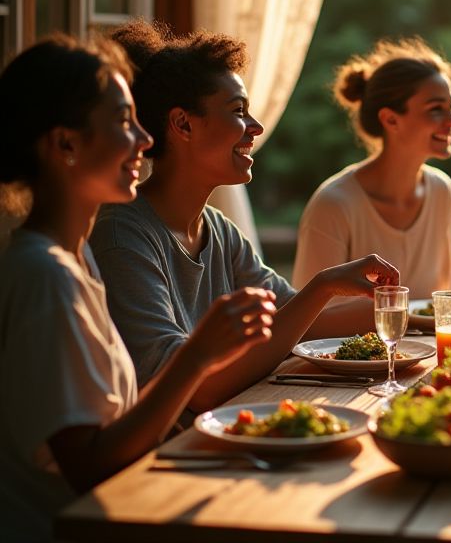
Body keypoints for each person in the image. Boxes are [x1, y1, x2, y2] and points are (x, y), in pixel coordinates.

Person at [0, 37, 278, 542]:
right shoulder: (46, 276)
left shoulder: (75, 257)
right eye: (123, 123)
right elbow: (89, 470)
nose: (145, 141)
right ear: (66, 144)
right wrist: (197, 356)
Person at [90, 21, 399, 414]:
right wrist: (321, 287)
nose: (256, 127)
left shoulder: (218, 230)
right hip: (167, 458)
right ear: (183, 124)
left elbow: (296, 321)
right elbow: (195, 389)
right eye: (238, 111)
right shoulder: (123, 237)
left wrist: (430, 312)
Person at [293, 37, 451, 300]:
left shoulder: (442, 192)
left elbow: (440, 297)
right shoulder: (333, 205)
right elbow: (309, 319)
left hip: (426, 343)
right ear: (391, 119)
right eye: (436, 109)